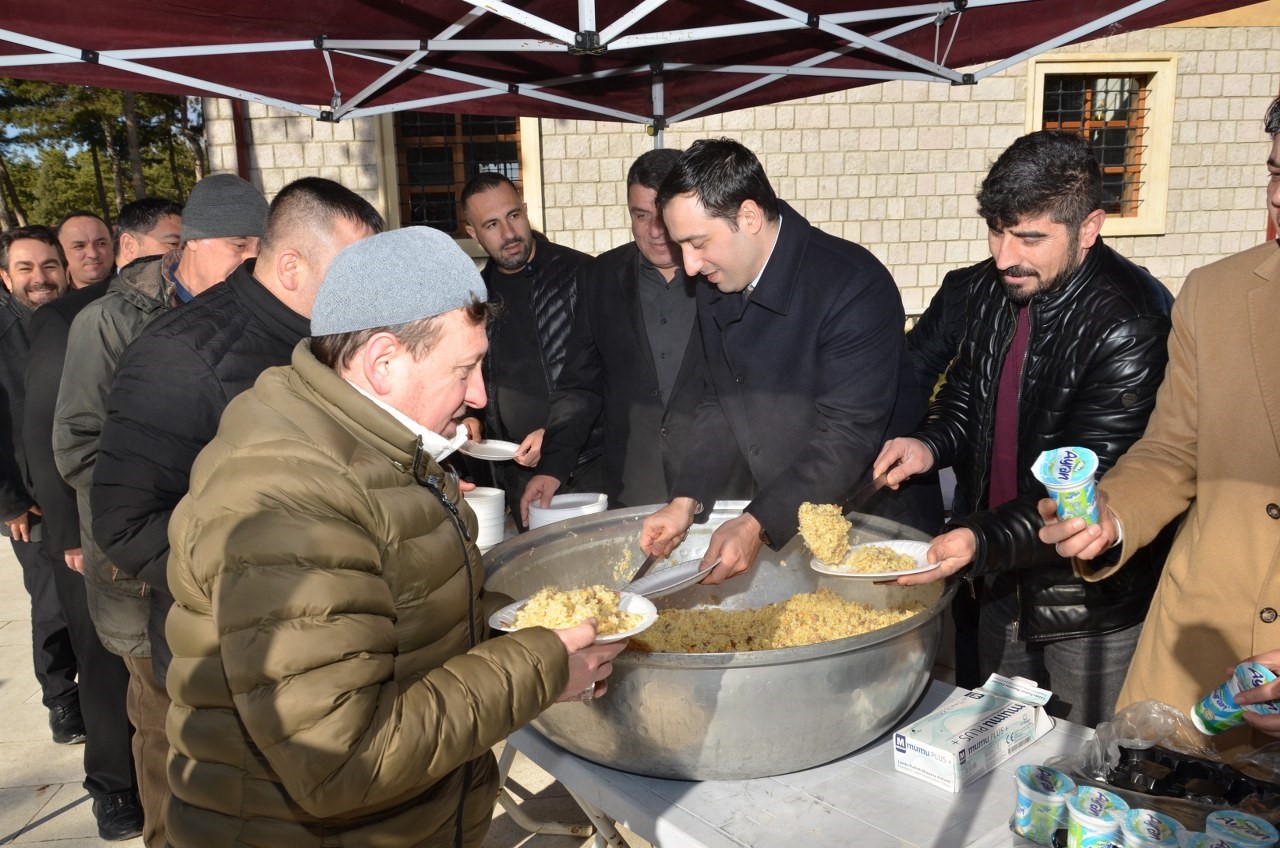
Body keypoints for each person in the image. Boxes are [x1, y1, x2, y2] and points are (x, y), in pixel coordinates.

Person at [164, 226, 625, 847]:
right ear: (383, 363)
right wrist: (541, 666)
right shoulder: (289, 497)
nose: (478, 395)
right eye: (464, 369)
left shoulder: (375, 446)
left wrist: (532, 623)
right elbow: (343, 760)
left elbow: (409, 615)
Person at [86, 178, 379, 847]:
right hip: (223, 658)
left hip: (323, 644)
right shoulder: (182, 355)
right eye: (352, 271)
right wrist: (262, 582)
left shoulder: (328, 335)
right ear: (291, 265)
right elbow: (127, 525)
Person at [872, 130, 1174, 727]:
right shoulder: (991, 288)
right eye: (996, 231)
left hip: (1085, 604)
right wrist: (928, 445)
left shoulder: (1130, 320)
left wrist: (975, 540)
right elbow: (969, 395)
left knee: (1089, 754)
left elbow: (1090, 484)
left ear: (1089, 228)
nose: (1006, 256)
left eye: (1031, 238)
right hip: (999, 575)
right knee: (997, 744)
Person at [1039, 97, 1280, 750]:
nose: (1279, 199)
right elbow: (1173, 450)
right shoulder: (1215, 293)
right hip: (1193, 667)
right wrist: (1112, 514)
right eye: (1276, 173)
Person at [640, 138, 942, 584]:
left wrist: (755, 522)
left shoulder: (852, 285)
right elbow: (720, 400)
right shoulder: (715, 285)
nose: (689, 265)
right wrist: (686, 499)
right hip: (781, 514)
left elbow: (847, 434)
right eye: (681, 245)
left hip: (874, 523)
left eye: (697, 242)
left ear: (748, 217)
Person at [521, 149, 751, 521]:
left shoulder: (726, 276)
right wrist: (553, 466)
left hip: (720, 490)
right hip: (633, 491)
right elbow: (580, 385)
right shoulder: (600, 276)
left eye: (663, 215)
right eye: (641, 215)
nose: (655, 231)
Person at [460, 172, 603, 528]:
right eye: (492, 224)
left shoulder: (584, 274)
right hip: (512, 472)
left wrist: (555, 435)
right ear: (473, 233)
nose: (509, 233)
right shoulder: (475, 296)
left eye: (513, 216)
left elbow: (615, 376)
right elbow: (473, 372)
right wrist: (470, 418)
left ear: (525, 211)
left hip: (586, 466)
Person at [0, 226, 80, 744]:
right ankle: (61, 698)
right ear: (5, 277)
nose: (40, 278)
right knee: (51, 605)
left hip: (78, 488)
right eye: (25, 268)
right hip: (29, 502)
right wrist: (9, 503)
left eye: (49, 265)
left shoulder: (77, 318)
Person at [57, 211, 114, 289]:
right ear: (60, 252)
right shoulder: (53, 295)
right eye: (79, 246)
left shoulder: (130, 289)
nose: (93, 254)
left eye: (101, 244)